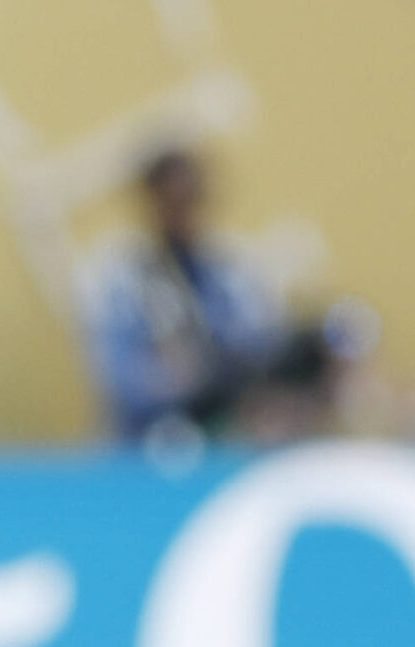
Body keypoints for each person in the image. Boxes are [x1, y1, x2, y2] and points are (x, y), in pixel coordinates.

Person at [82, 145, 280, 441]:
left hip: (225, 433)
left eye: (189, 200)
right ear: (151, 202)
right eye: (171, 202)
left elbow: (260, 345)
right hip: (145, 441)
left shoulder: (230, 270)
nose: (181, 214)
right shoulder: (121, 277)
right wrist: (168, 378)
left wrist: (211, 368)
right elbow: (116, 375)